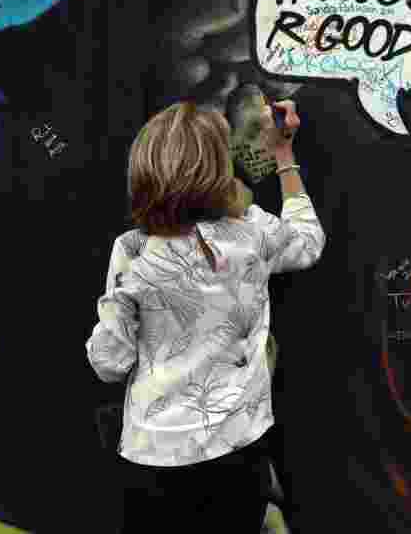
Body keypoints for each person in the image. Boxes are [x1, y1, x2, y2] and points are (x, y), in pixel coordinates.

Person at [85, 98, 324, 532]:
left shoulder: (133, 250)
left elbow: (108, 364)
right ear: (217, 167)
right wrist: (284, 155)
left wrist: (120, 302)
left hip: (151, 460)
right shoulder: (251, 232)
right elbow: (308, 243)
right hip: (236, 456)